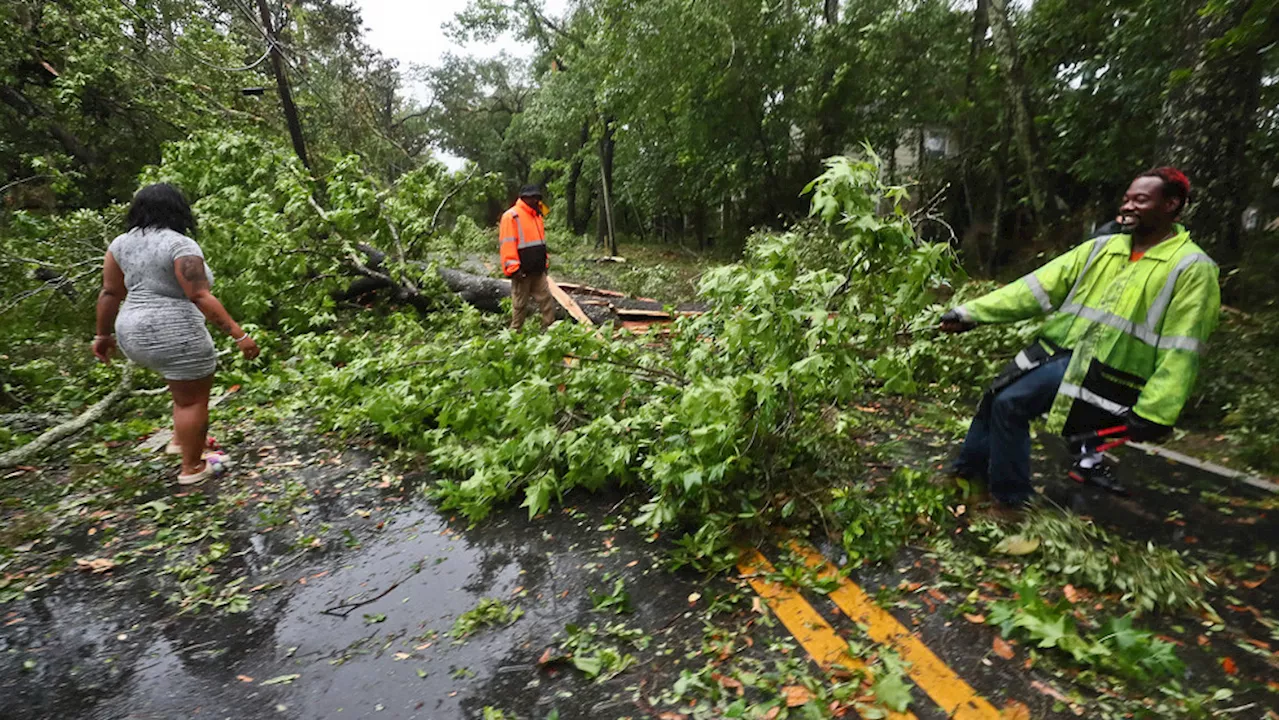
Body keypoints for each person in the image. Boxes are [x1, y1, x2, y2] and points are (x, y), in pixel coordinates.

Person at [939, 167, 1219, 510]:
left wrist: (1157, 411)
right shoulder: (1103, 248)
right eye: (1127, 198)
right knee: (995, 397)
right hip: (1060, 353)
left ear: (1171, 205)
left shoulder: (1191, 267)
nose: (1128, 206)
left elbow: (1184, 347)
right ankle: (967, 476)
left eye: (1140, 200)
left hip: (1109, 372)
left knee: (1011, 405)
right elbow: (1035, 288)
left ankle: (1013, 503)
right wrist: (970, 314)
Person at [93, 183, 260, 484]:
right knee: (192, 401)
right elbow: (199, 295)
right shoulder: (180, 245)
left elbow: (109, 291)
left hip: (132, 332)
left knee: (181, 392)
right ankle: (192, 468)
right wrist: (239, 335)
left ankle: (180, 442)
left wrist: (102, 336)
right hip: (174, 333)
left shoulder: (119, 244)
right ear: (178, 210)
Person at [500, 184, 556, 330]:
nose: (536, 200)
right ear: (524, 198)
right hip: (521, 272)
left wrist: (545, 264)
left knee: (547, 302)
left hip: (538, 269)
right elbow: (507, 244)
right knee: (519, 306)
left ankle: (549, 331)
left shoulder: (537, 216)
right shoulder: (511, 216)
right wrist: (513, 269)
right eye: (533, 197)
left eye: (537, 197)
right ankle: (515, 335)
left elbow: (541, 243)